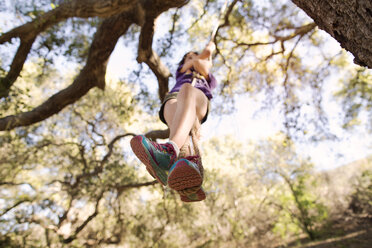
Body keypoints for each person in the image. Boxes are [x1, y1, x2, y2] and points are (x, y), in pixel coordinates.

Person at [130, 40, 217, 202]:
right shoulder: (181, 71)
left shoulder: (209, 78)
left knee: (187, 90)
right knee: (181, 133)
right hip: (173, 98)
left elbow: (203, 67)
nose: (191, 58)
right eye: (188, 57)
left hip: (198, 97)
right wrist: (205, 53)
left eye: (194, 55)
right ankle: (189, 185)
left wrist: (208, 51)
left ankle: (168, 153)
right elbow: (194, 63)